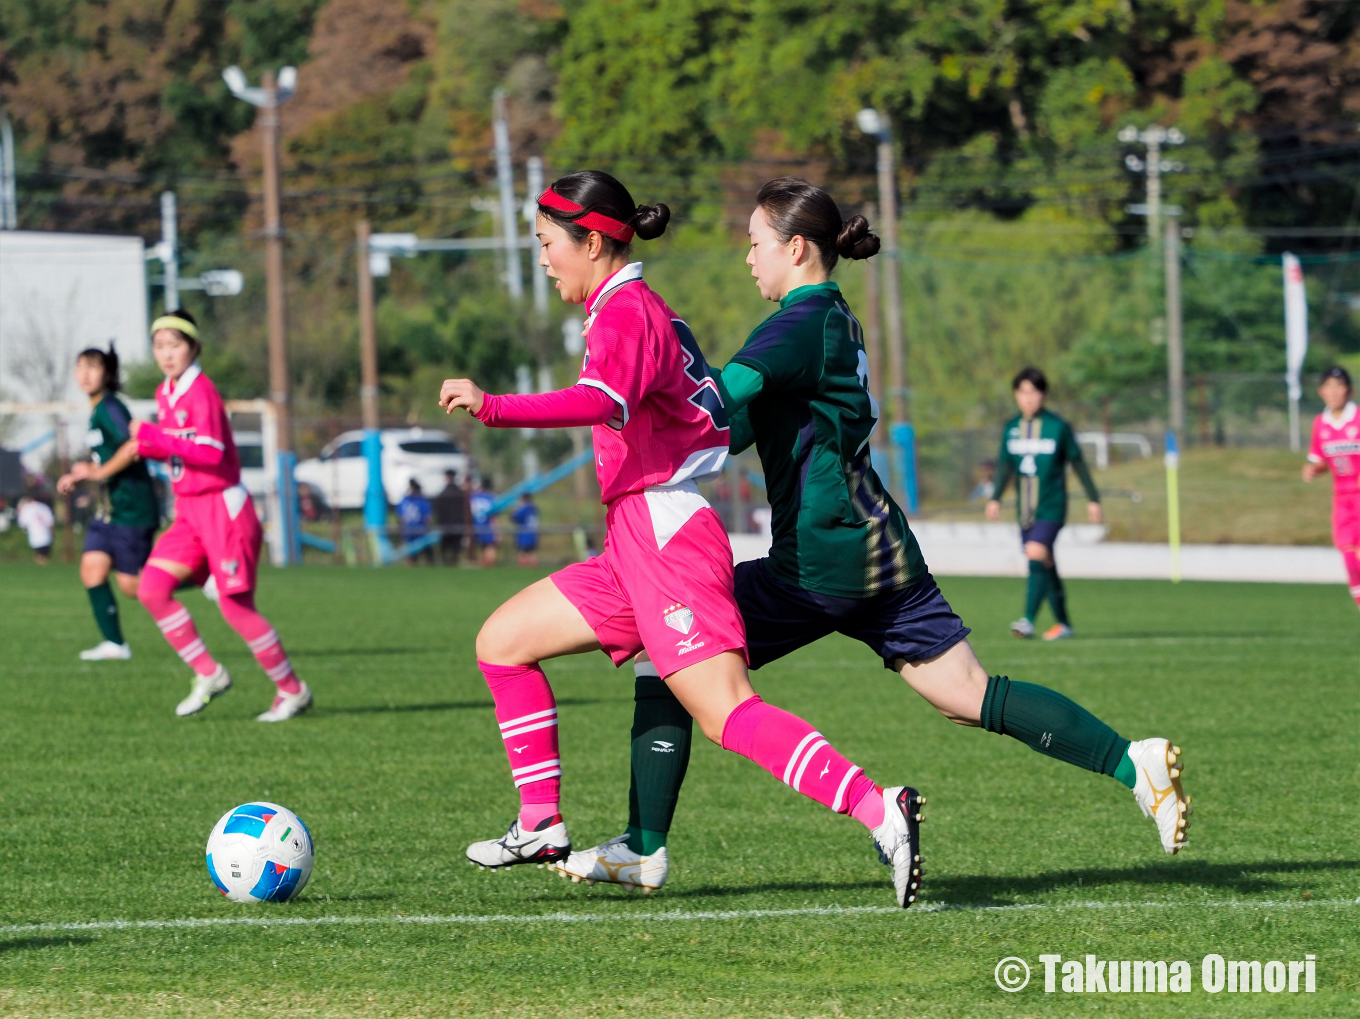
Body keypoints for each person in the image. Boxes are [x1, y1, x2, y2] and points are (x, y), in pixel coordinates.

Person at [551, 178, 1189, 894]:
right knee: (969, 693)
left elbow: (714, 405)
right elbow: (731, 431)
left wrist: (655, 356)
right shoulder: (832, 321)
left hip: (818, 563)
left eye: (755, 244)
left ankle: (646, 846)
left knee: (671, 658)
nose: (749, 259)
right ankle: (1136, 763)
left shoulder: (795, 324)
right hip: (880, 551)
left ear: (795, 248)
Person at [439, 169, 926, 909]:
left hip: (665, 535)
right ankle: (541, 823)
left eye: (546, 243)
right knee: (502, 641)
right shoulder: (625, 307)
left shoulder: (625, 310)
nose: (541, 258)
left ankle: (877, 808)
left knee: (727, 709)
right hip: (635, 534)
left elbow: (602, 401)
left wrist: (493, 405)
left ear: (593, 241)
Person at [125, 309, 313, 721]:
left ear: (193, 347)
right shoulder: (165, 392)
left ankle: (292, 690)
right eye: (160, 345)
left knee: (235, 608)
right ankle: (209, 674)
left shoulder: (201, 391)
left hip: (222, 509)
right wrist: (148, 445)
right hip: (188, 512)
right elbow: (175, 447)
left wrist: (155, 437)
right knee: (151, 589)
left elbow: (211, 453)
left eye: (175, 344)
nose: (167, 353)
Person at [56, 345, 160, 660]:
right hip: (110, 511)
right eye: (80, 367)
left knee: (132, 587)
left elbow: (133, 447)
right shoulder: (97, 409)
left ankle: (202, 578)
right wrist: (83, 471)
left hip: (133, 507)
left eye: (93, 367)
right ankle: (115, 644)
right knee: (92, 570)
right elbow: (106, 457)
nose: (85, 374)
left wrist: (97, 472)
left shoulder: (111, 408)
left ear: (109, 374)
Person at [986, 368, 1102, 641]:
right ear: (1016, 395)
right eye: (1023, 392)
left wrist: (1093, 499)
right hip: (1024, 510)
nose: (1028, 398)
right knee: (1045, 563)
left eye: (1034, 392)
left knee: (1036, 553)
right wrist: (995, 497)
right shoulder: (1011, 428)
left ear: (1043, 395)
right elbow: (1004, 466)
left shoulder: (1057, 426)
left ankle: (1027, 620)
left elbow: (1078, 463)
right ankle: (1064, 623)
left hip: (1051, 506)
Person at [1302, 366, 1360, 608]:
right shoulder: (1320, 424)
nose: (1335, 392)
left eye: (1340, 386)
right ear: (1321, 391)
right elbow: (1321, 459)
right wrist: (1314, 469)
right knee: (1349, 557)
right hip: (1342, 499)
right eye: (1329, 387)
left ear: (1349, 390)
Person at [434, 469, 469, 565]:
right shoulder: (461, 493)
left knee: (444, 549)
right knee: (455, 550)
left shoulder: (442, 494)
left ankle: (445, 563)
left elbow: (438, 511)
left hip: (445, 526)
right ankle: (454, 562)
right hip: (458, 525)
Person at [398, 478, 434, 565]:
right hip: (419, 531)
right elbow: (428, 518)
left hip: (411, 531)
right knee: (426, 556)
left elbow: (402, 518)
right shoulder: (421, 501)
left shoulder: (405, 501)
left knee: (413, 556)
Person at [16, 494, 54, 564]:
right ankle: (41, 562)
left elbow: (22, 522)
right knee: (43, 551)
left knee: (39, 551)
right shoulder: (44, 507)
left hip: (33, 532)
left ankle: (40, 561)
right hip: (44, 532)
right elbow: (50, 521)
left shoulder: (27, 508)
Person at [469, 478, 498, 566]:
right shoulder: (491, 497)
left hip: (476, 525)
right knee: (489, 546)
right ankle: (489, 564)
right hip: (488, 526)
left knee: (480, 546)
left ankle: (483, 563)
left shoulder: (473, 496)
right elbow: (494, 516)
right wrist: (497, 531)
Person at [512, 492, 540, 566]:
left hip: (524, 533)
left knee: (523, 551)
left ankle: (524, 567)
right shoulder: (534, 508)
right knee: (532, 551)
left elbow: (515, 518)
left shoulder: (523, 508)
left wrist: (515, 510)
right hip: (533, 532)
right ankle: (534, 567)